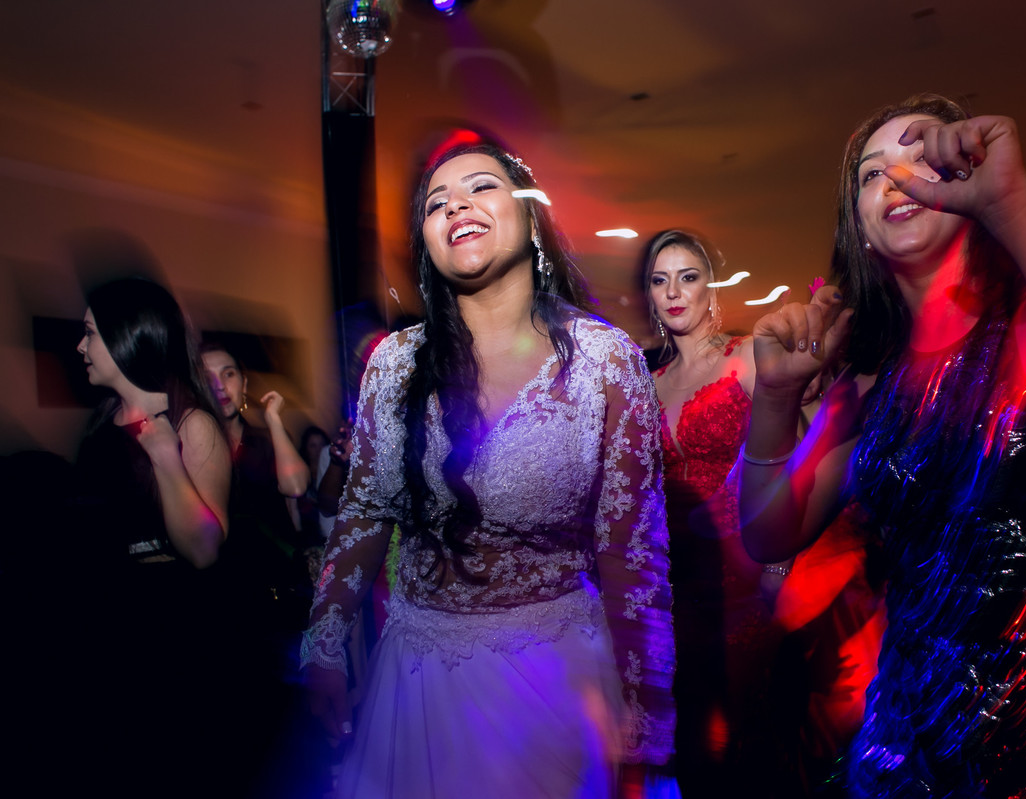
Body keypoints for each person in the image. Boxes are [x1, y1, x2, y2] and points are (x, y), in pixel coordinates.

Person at [739, 94, 1026, 797]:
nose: (895, 178)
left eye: (920, 154)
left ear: (966, 173)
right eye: (870, 173)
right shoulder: (870, 382)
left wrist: (1013, 204)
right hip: (904, 757)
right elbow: (770, 531)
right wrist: (774, 399)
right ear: (858, 228)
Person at [302, 129, 675, 798]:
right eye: (436, 202)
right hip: (417, 680)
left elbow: (633, 549)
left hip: (555, 681)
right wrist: (324, 644)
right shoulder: (393, 364)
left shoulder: (606, 361)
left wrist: (646, 712)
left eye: (481, 187)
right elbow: (363, 513)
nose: (456, 205)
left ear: (530, 218)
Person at [71, 276, 232, 796]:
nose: (80, 347)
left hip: (174, 636)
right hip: (109, 629)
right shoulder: (99, 429)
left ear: (127, 337)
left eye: (90, 333)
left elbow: (203, 551)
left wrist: (165, 457)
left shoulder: (191, 424)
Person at [641, 228, 785, 795]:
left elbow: (794, 461)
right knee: (692, 748)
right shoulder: (646, 385)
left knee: (754, 745)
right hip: (676, 593)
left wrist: (781, 566)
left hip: (747, 579)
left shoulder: (747, 356)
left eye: (688, 277)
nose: (674, 292)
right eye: (660, 281)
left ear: (710, 287)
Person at [199, 341, 321, 793]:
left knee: (287, 721)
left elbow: (296, 484)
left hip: (276, 600)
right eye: (208, 376)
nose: (219, 385)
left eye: (229, 373)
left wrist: (272, 420)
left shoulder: (261, 441)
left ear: (244, 382)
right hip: (221, 599)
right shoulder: (192, 446)